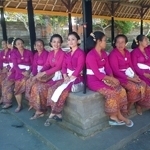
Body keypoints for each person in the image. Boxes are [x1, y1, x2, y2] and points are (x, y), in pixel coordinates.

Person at [86, 31, 133, 127]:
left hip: (104, 78)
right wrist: (110, 79)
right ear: (98, 41)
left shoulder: (103, 53)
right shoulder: (90, 55)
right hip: (94, 81)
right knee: (111, 92)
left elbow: (108, 68)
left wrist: (111, 78)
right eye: (104, 40)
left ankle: (120, 113)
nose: (105, 42)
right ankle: (114, 117)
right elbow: (97, 74)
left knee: (121, 90)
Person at [44, 32, 85, 126]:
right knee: (52, 88)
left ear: (78, 41)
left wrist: (71, 77)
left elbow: (79, 67)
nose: (70, 41)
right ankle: (57, 113)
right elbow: (63, 66)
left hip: (77, 77)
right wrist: (65, 76)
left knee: (63, 91)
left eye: (73, 39)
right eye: (69, 39)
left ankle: (53, 113)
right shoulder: (67, 53)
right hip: (67, 77)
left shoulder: (80, 53)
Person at [109, 34, 148, 116]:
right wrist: (132, 79)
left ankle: (133, 104)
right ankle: (125, 108)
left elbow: (131, 66)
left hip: (129, 74)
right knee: (134, 88)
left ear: (126, 43)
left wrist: (135, 76)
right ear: (115, 43)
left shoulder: (127, 52)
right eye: (118, 42)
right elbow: (116, 71)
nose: (120, 44)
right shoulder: (113, 54)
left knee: (143, 84)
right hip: (120, 77)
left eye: (122, 42)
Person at [29, 34, 65, 120]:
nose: (56, 44)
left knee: (42, 88)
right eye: (54, 42)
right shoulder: (51, 53)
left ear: (61, 43)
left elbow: (58, 67)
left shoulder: (63, 53)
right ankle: (40, 110)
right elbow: (47, 64)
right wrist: (40, 72)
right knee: (36, 86)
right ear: (51, 43)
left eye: (58, 42)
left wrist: (44, 72)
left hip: (59, 77)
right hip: (51, 75)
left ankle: (48, 110)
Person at [11, 38, 33, 112]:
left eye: (21, 43)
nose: (20, 45)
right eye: (18, 44)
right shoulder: (14, 54)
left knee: (30, 83)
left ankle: (32, 104)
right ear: (15, 45)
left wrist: (29, 71)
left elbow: (33, 64)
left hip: (29, 71)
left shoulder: (29, 52)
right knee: (17, 87)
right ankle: (19, 105)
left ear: (23, 43)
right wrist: (23, 73)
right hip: (19, 73)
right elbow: (15, 66)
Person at [131, 35, 150, 109]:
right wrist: (144, 74)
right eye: (145, 40)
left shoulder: (147, 50)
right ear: (139, 42)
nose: (147, 41)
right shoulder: (134, 52)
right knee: (147, 86)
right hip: (141, 73)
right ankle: (139, 105)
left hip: (148, 71)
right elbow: (135, 66)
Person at [1, 37, 16, 108]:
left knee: (6, 83)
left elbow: (15, 64)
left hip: (15, 71)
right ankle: (4, 99)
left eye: (6, 43)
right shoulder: (8, 52)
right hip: (10, 70)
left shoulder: (14, 52)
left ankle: (8, 102)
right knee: (3, 82)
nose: (5, 45)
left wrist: (10, 70)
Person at [0, 40, 11, 104]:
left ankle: (5, 99)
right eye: (2, 44)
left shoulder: (11, 52)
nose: (3, 45)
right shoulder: (1, 52)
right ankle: (1, 96)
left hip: (9, 69)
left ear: (7, 44)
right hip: (3, 69)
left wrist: (7, 68)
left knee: (4, 81)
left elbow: (12, 62)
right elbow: (0, 62)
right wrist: (1, 68)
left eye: (4, 44)